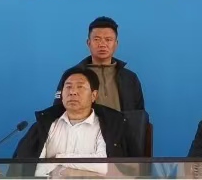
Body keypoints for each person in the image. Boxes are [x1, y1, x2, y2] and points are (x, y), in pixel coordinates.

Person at [13, 67, 142, 177]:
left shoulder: (109, 126)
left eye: (80, 87)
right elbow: (36, 170)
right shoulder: (45, 125)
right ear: (61, 95)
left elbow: (102, 165)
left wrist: (59, 161)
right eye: (68, 87)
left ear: (94, 95)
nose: (73, 92)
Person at [54, 16, 145, 112]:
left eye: (108, 39)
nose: (102, 44)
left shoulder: (130, 78)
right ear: (88, 43)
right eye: (97, 39)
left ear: (116, 44)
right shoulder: (71, 76)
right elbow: (57, 111)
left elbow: (139, 114)